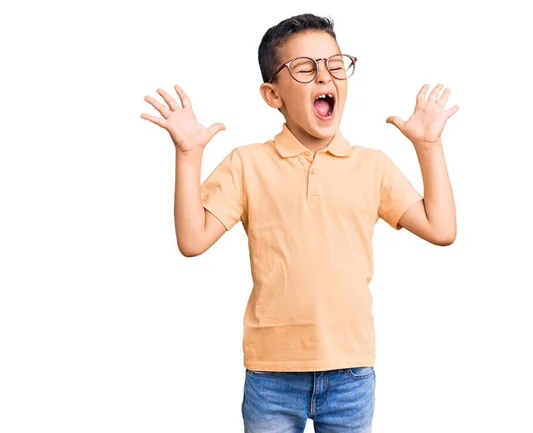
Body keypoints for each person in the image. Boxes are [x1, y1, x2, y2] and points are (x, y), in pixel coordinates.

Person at [141, 12, 458, 433]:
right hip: (272, 374)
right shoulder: (247, 164)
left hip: (351, 374)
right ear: (273, 94)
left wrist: (429, 146)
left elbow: (442, 229)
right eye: (305, 68)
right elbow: (192, 239)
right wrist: (187, 157)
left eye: (334, 64)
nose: (324, 76)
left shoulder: (372, 167)